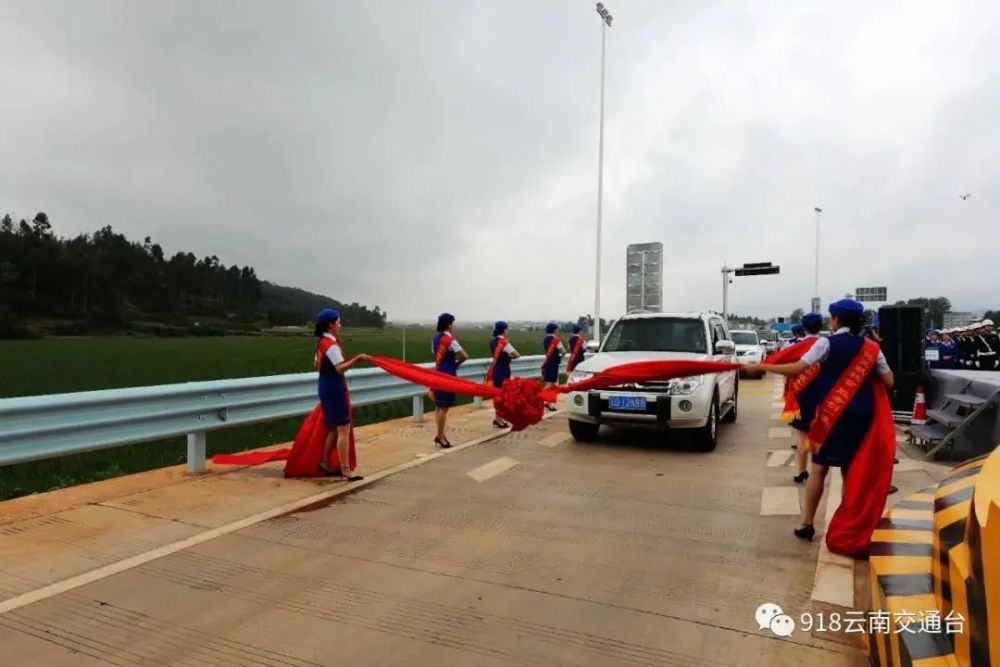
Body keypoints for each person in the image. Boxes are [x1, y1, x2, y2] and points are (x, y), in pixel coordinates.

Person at [757, 299, 895, 546]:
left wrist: (762, 366)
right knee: (850, 472)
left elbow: (797, 369)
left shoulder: (826, 343)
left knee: (819, 469)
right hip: (862, 415)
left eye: (832, 318)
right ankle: (848, 526)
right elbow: (889, 381)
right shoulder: (872, 348)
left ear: (837, 319)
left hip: (832, 416)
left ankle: (807, 524)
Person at [314, 308, 368, 480]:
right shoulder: (331, 345)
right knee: (344, 428)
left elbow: (317, 365)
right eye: (338, 322)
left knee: (334, 429)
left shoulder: (322, 342)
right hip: (335, 388)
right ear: (330, 324)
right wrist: (357, 359)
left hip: (325, 385)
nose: (340, 325)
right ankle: (345, 469)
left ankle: (324, 462)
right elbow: (340, 368)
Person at [787, 313, 823, 483]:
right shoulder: (827, 344)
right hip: (822, 394)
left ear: (803, 327)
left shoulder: (795, 346)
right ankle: (817, 471)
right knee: (819, 432)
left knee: (801, 434)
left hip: (801, 394)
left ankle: (802, 471)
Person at [431, 312, 469, 448]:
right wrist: (456, 364)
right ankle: (440, 437)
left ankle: (441, 434)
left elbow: (434, 354)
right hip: (448, 374)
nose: (453, 326)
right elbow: (465, 356)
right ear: (448, 325)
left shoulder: (435, 339)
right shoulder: (450, 340)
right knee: (444, 407)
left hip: (438, 373)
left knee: (439, 406)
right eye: (452, 324)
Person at [486, 320, 521, 428]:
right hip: (503, 370)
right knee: (502, 395)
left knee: (497, 394)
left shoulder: (492, 341)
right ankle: (498, 419)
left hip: (495, 369)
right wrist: (509, 358)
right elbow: (517, 355)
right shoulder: (504, 342)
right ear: (504, 330)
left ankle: (498, 418)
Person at [540, 322, 566, 411]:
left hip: (547, 362)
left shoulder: (545, 339)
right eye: (557, 329)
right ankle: (544, 401)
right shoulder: (556, 340)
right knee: (551, 384)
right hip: (554, 363)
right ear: (554, 330)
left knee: (548, 382)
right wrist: (559, 357)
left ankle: (548, 402)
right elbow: (563, 351)